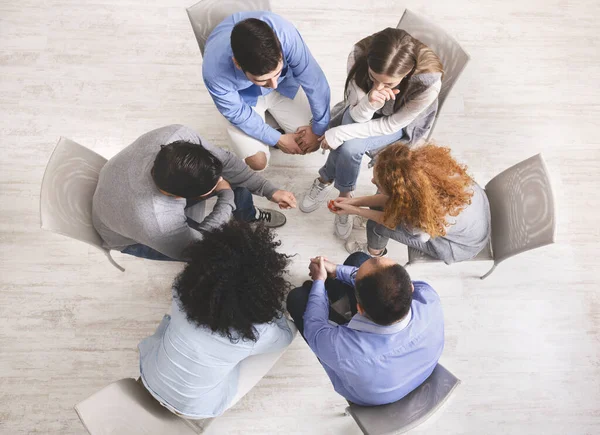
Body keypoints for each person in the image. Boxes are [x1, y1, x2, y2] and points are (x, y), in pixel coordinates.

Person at [139, 221, 296, 419]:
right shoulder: (258, 332)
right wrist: (275, 311)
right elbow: (287, 335)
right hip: (197, 409)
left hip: (149, 378)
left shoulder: (180, 295)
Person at [299, 28, 443, 240]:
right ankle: (345, 197)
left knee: (349, 146)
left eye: (389, 83)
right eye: (373, 78)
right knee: (349, 139)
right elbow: (356, 114)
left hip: (399, 123)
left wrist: (339, 132)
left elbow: (392, 125)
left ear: (407, 74)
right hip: (361, 112)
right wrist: (370, 101)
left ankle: (328, 181)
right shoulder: (358, 56)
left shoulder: (428, 84)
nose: (379, 86)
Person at [92, 124, 296, 261]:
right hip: (130, 237)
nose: (221, 180)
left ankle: (248, 216)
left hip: (121, 191)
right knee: (218, 254)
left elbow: (226, 162)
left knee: (236, 183)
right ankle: (235, 215)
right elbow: (197, 248)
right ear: (182, 198)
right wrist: (226, 198)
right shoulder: (158, 222)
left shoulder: (176, 136)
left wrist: (270, 190)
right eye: (213, 185)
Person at [286, 252, 444, 406]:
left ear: (359, 309)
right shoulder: (428, 297)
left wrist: (319, 281)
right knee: (358, 259)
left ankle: (323, 291)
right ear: (410, 288)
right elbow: (390, 289)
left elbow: (314, 327)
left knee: (297, 298)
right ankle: (329, 289)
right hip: (419, 369)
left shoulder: (340, 349)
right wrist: (336, 269)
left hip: (371, 399)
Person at [202, 11, 331, 171]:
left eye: (277, 73)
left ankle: (269, 121)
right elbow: (237, 113)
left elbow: (315, 81)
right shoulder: (214, 71)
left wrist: (319, 127)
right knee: (257, 163)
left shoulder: (285, 35)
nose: (273, 85)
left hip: (287, 86)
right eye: (262, 80)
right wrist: (277, 139)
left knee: (313, 142)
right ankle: (269, 126)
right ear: (237, 64)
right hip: (243, 100)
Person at [332, 143, 491, 264]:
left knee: (377, 226)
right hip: (476, 214)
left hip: (458, 246)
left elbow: (392, 222)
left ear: (401, 193)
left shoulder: (428, 216)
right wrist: (354, 202)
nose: (372, 180)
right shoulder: (421, 169)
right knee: (378, 207)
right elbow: (392, 200)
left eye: (377, 182)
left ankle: (374, 253)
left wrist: (355, 210)